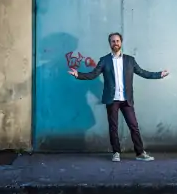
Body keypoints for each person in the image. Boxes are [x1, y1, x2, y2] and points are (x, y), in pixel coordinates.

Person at [68, 32, 169, 162]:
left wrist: (159, 74)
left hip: (126, 99)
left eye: (117, 41)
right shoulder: (104, 60)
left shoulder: (130, 60)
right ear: (109, 44)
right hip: (112, 100)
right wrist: (78, 75)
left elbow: (143, 73)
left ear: (121, 43)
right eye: (112, 41)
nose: (115, 43)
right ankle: (116, 152)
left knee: (134, 126)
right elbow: (93, 74)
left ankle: (140, 153)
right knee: (113, 127)